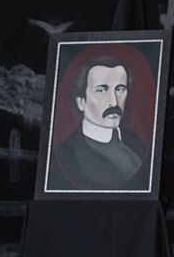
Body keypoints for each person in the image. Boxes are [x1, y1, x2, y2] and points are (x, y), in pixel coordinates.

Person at [48, 55, 151, 191]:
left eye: (120, 89)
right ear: (81, 102)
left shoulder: (136, 142)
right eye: (101, 90)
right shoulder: (69, 156)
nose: (114, 102)